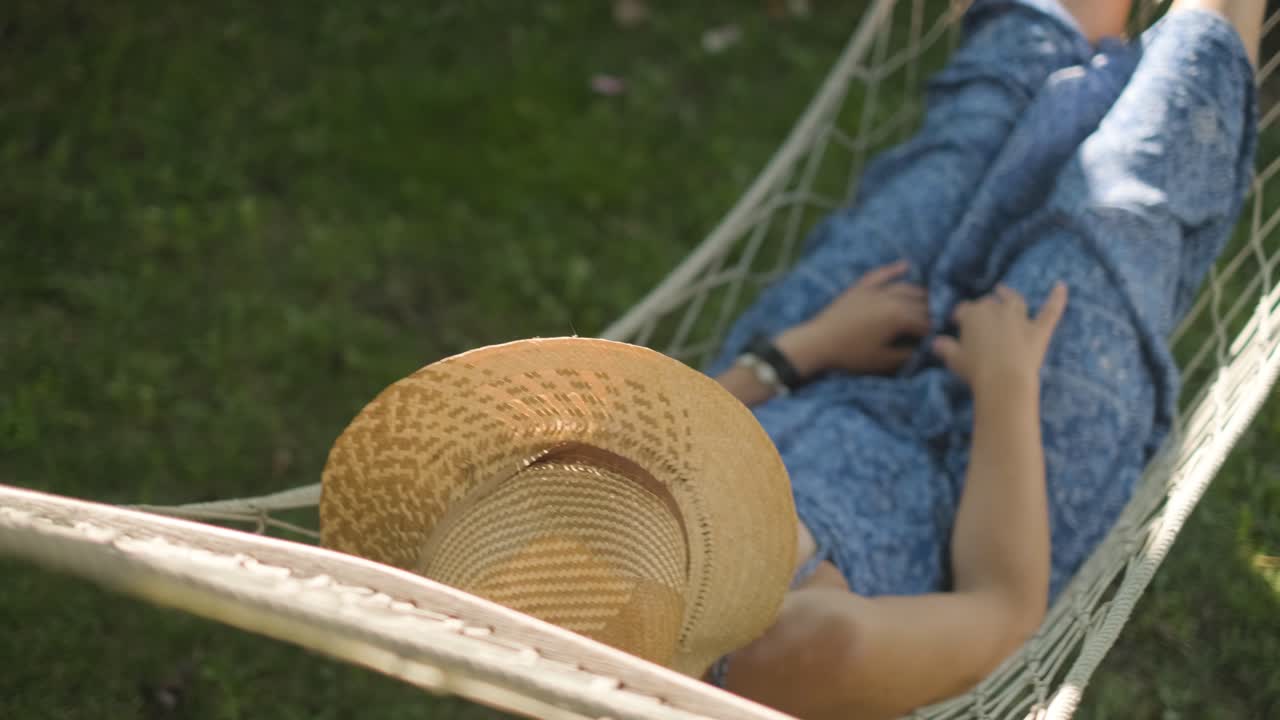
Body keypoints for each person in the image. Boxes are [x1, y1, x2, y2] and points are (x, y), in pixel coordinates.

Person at [705, 0, 1262, 717]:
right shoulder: (792, 656)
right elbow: (1003, 612)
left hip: (806, 375)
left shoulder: (568, 569)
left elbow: (666, 428)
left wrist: (797, 352)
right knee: (1124, 193)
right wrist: (1005, 386)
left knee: (983, 115)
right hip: (988, 475)